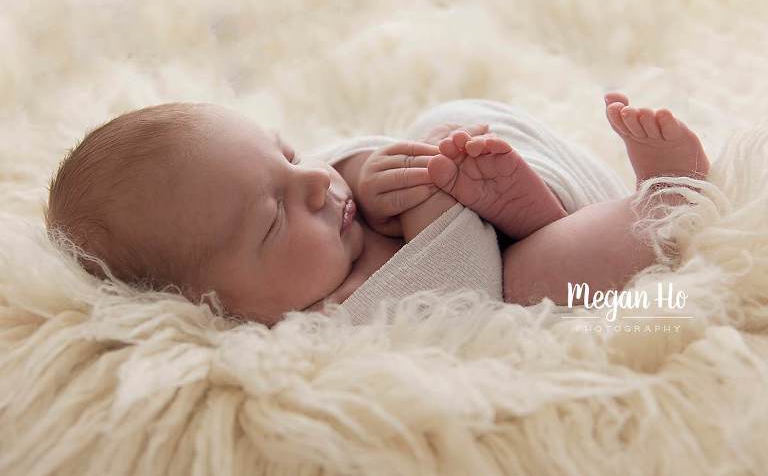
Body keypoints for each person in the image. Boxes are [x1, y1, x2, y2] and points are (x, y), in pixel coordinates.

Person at [45, 93, 709, 326]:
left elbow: (334, 162)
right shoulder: (327, 322)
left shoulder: (319, 204)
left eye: (286, 152)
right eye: (275, 217)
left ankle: (535, 206)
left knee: (441, 127)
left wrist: (372, 173)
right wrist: (428, 210)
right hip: (532, 280)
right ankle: (666, 199)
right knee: (527, 283)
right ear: (214, 307)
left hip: (518, 213)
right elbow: (458, 295)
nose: (313, 181)